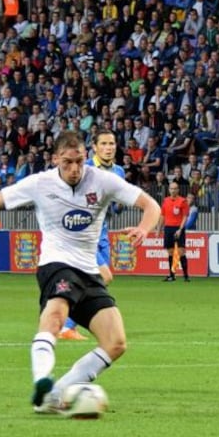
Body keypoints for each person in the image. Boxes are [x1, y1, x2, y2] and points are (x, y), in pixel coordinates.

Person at [0, 131, 161, 413]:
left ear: (86, 157)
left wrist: (144, 228)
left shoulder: (103, 181)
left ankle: (55, 395)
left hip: (89, 271)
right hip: (56, 264)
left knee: (116, 343)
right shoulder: (40, 183)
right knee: (54, 316)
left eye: (79, 161)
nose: (74, 169)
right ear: (55, 160)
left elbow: (151, 205)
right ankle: (42, 379)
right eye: (67, 162)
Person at [60, 130, 127, 341]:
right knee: (103, 276)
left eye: (112, 143)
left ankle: (66, 319)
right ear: (95, 148)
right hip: (83, 232)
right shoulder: (83, 168)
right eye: (104, 144)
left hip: (103, 232)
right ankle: (68, 324)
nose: (109, 147)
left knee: (96, 281)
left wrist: (120, 206)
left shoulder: (119, 171)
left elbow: (114, 205)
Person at [161, 182, 190, 282]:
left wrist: (180, 229)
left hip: (178, 228)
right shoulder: (165, 200)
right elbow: (163, 215)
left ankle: (186, 276)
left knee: (181, 252)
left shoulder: (183, 201)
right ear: (169, 190)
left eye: (175, 189)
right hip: (168, 228)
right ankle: (172, 275)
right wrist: (158, 229)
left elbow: (185, 216)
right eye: (171, 189)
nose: (173, 190)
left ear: (178, 190)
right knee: (170, 252)